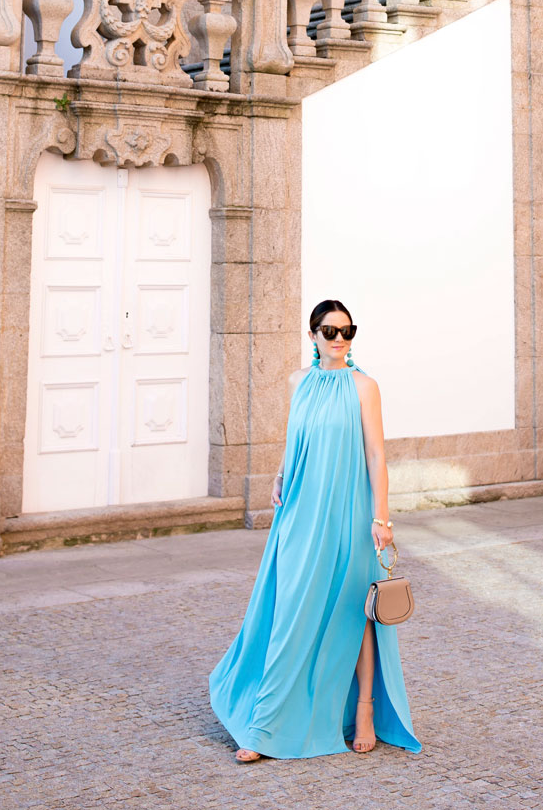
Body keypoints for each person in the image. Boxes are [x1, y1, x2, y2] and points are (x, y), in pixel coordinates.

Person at [208, 299, 421, 762]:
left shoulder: (365, 387)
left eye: (347, 331)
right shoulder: (298, 383)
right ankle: (267, 725)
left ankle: (363, 712)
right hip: (301, 512)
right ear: (312, 336)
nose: (339, 339)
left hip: (347, 512)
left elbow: (376, 457)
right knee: (289, 610)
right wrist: (280, 474)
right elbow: (295, 438)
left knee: (353, 613)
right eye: (329, 331)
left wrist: (381, 519)